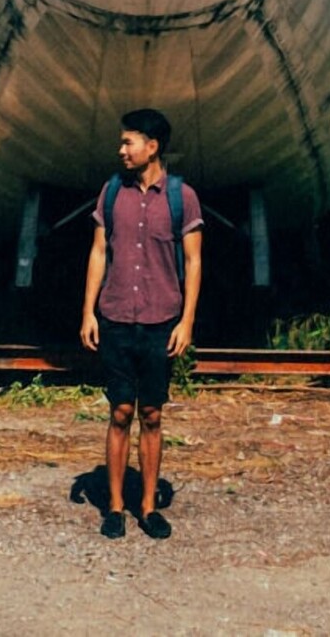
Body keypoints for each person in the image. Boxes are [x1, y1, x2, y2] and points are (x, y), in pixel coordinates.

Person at [79, 107, 202, 540]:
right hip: (115, 317)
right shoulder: (112, 192)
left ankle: (148, 507)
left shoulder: (181, 197)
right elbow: (98, 253)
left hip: (159, 320)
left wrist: (186, 321)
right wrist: (88, 312)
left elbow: (193, 259)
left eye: (128, 142)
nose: (121, 150)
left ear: (152, 147)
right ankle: (114, 507)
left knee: (151, 414)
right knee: (119, 412)